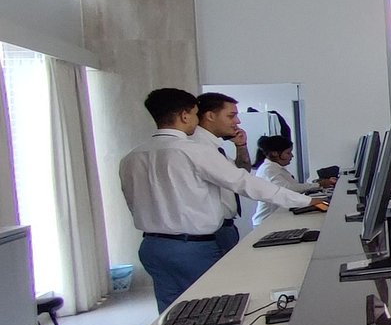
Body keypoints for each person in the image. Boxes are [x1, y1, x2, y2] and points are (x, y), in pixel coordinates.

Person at [120, 88, 327, 313]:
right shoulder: (193, 151)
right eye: (195, 114)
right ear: (185, 116)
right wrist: (306, 201)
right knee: (209, 307)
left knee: (172, 313)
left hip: (152, 246)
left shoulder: (131, 157)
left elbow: (133, 202)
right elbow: (244, 182)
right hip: (191, 247)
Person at [193, 92, 253, 254]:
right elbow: (242, 182)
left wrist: (241, 146)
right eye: (231, 116)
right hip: (213, 230)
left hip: (226, 226)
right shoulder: (198, 147)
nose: (237, 121)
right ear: (210, 116)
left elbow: (241, 172)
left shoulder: (214, 146)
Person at [251, 135, 336, 226]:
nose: (292, 156)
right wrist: (318, 185)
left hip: (277, 217)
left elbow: (295, 187)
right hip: (266, 221)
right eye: (288, 153)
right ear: (275, 153)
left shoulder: (276, 168)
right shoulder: (269, 170)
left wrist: (317, 185)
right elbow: (289, 189)